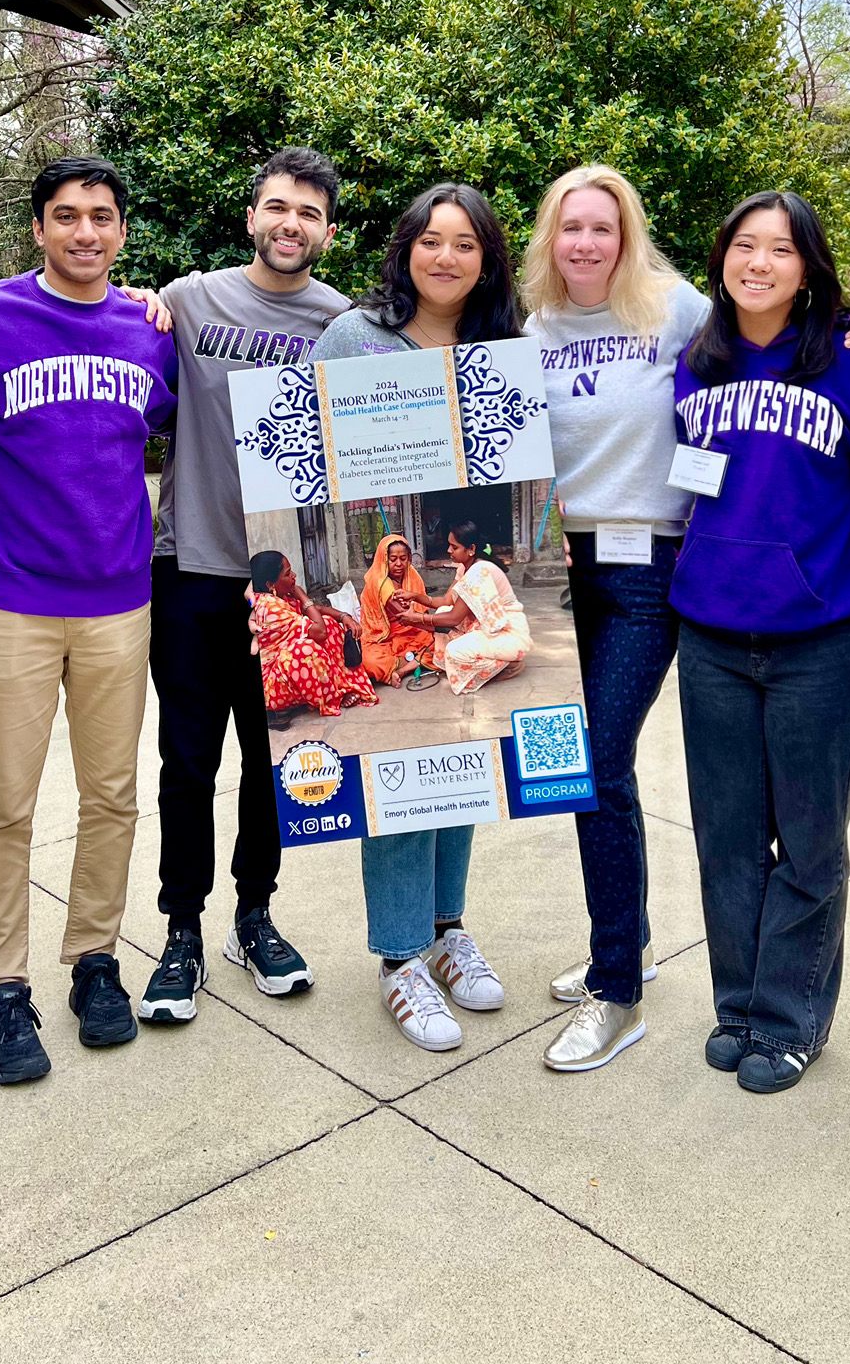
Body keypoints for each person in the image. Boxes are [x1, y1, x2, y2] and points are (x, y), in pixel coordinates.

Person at [0, 158, 177, 1087]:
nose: (86, 233)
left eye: (103, 218)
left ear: (121, 232)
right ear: (38, 228)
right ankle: (3, 990)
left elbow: (163, 431)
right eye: (67, 217)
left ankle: (94, 963)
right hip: (12, 601)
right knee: (3, 805)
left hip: (121, 599)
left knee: (113, 796)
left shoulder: (147, 330)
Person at [672, 191, 850, 1093]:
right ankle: (739, 1006)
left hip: (819, 638)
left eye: (781, 250)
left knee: (808, 841)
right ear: (721, 259)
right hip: (712, 632)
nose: (758, 263)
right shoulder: (698, 359)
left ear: (808, 268)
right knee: (725, 838)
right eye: (744, 247)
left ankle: (792, 1019)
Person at [140, 148, 348, 1023]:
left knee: (274, 763)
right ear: (251, 217)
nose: (289, 222)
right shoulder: (188, 301)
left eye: (307, 211)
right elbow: (113, 330)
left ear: (328, 232)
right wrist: (137, 306)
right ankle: (179, 929)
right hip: (189, 564)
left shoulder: (346, 325)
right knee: (187, 763)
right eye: (276, 206)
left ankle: (253, 913)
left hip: (286, 586)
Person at [312, 184, 515, 1052]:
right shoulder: (357, 336)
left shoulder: (503, 344)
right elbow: (302, 452)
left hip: (461, 535)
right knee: (400, 757)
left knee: (463, 746)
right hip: (377, 522)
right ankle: (399, 957)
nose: (445, 257)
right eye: (430, 240)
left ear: (486, 259)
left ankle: (444, 930)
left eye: (465, 244)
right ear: (406, 250)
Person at [521, 164, 709, 1073]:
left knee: (596, 766)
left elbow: (770, 347)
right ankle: (624, 943)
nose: (587, 243)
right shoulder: (535, 326)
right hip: (560, 574)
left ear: (627, 234)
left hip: (648, 567)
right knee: (579, 764)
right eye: (571, 228)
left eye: (603, 227)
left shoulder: (675, 310)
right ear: (550, 240)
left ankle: (617, 992)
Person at [394, 524, 531, 694]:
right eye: (449, 545)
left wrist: (417, 619)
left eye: (454, 547)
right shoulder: (465, 567)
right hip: (489, 627)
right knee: (442, 612)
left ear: (471, 549)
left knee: (454, 651)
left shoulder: (479, 571)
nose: (449, 550)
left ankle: (506, 665)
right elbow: (446, 600)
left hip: (508, 633)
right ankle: (491, 657)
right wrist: (414, 596)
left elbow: (454, 618)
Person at [247, 551, 377, 718]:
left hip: (284, 674)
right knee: (305, 649)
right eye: (288, 574)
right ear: (270, 584)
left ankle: (338, 686)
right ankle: (332, 695)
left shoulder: (281, 597)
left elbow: (317, 611)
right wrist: (302, 594)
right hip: (270, 687)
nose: (294, 576)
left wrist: (344, 616)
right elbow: (320, 632)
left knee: (329, 623)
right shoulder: (269, 608)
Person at [358, 535, 437, 688]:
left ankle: (403, 667)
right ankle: (414, 661)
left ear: (409, 559)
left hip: (413, 632)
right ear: (383, 560)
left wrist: (434, 629)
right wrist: (438, 625)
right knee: (370, 662)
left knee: (440, 645)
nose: (399, 564)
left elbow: (423, 612)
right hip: (382, 639)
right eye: (393, 559)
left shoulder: (412, 575)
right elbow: (404, 615)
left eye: (403, 558)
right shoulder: (379, 581)